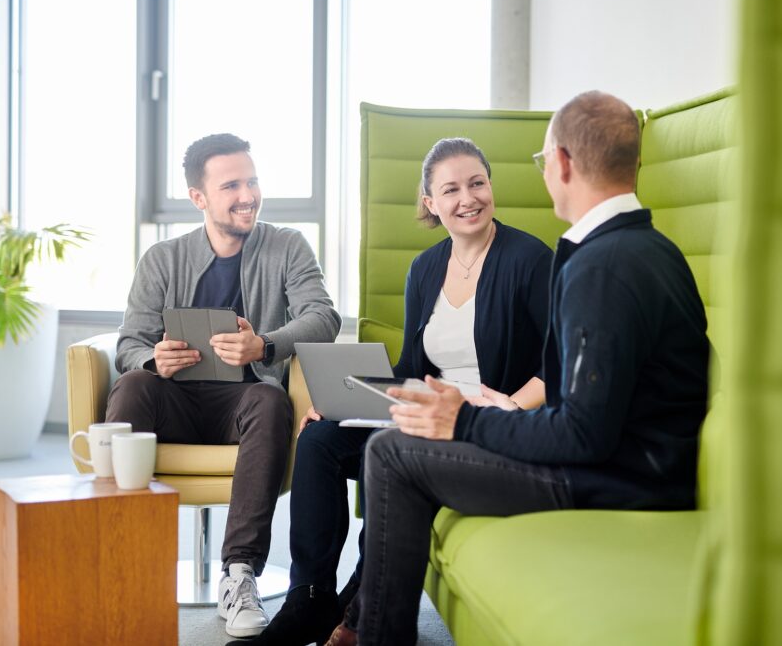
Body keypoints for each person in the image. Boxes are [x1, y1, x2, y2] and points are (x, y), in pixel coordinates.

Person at [353, 91, 711, 645]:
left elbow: (583, 434)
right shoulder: (647, 248)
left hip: (622, 479)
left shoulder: (602, 267)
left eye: (544, 162)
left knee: (392, 454)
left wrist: (465, 422)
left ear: (563, 164)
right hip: (636, 463)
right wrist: (493, 412)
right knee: (394, 446)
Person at [254, 138, 553, 646]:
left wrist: (509, 405)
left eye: (477, 183)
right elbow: (413, 369)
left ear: (490, 186)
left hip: (486, 423)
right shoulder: (425, 269)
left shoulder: (529, 259)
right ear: (430, 203)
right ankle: (308, 596)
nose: (468, 199)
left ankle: (354, 610)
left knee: (395, 456)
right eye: (451, 189)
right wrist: (344, 404)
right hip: (427, 411)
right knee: (321, 437)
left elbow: (557, 362)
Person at [104, 133, 341, 639]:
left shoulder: (287, 245)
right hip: (175, 398)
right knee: (130, 387)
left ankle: (239, 574)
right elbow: (129, 343)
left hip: (244, 398)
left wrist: (266, 346)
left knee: (270, 399)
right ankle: (119, 559)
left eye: (252, 181)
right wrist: (153, 358)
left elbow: (324, 318)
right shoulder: (162, 259)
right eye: (231, 184)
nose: (247, 195)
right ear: (199, 197)